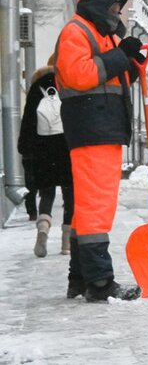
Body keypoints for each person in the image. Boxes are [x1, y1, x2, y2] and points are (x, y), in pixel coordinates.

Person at [54, 0, 143, 302]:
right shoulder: (75, 32)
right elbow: (80, 75)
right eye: (116, 6)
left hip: (103, 128)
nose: (118, 13)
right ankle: (100, 282)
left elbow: (114, 78)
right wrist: (122, 56)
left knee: (87, 207)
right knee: (96, 207)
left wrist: (131, 61)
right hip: (92, 129)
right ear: (101, 4)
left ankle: (79, 278)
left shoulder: (102, 36)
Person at [18, 66, 74, 257]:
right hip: (66, 148)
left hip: (43, 151)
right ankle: (66, 243)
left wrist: (25, 148)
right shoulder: (66, 85)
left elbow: (28, 122)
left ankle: (42, 232)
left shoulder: (36, 90)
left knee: (47, 193)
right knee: (70, 195)